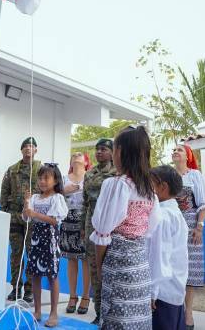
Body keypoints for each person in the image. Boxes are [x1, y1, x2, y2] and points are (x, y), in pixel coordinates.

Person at [90, 126, 161, 329]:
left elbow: (103, 232)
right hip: (139, 266)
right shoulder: (149, 190)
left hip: (118, 262)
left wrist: (101, 269)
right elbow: (150, 230)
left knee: (116, 317)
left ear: (120, 152)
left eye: (114, 147)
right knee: (136, 320)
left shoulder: (116, 185)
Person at [23, 163, 68, 327]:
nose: (42, 181)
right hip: (36, 239)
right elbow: (27, 218)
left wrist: (35, 214)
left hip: (50, 239)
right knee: (35, 274)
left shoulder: (57, 198)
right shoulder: (35, 198)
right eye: (40, 178)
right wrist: (26, 203)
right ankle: (37, 310)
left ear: (55, 180)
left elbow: (55, 221)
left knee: (52, 275)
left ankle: (54, 312)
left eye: (46, 178)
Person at [0, 137, 41, 303]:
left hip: (33, 218)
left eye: (31, 146)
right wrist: (4, 214)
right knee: (16, 254)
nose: (28, 149)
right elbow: (4, 192)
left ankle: (30, 290)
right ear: (21, 150)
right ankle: (16, 288)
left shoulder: (41, 169)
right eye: (25, 146)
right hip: (15, 217)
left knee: (32, 253)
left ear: (36, 150)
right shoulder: (12, 170)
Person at [172, 144, 205, 330]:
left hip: (191, 225)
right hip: (170, 226)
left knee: (189, 269)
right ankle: (174, 309)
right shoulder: (167, 175)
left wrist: (199, 227)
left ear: (187, 155)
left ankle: (188, 313)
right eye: (173, 150)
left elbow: (202, 204)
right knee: (172, 268)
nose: (175, 152)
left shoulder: (195, 175)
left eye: (179, 150)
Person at [148, 165, 189, 330]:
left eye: (149, 183)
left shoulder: (163, 217)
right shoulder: (174, 213)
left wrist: (152, 292)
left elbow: (160, 257)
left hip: (162, 294)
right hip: (174, 290)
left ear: (162, 188)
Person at [82, 138, 117, 325]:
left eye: (104, 149)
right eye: (97, 149)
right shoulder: (89, 173)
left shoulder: (117, 173)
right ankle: (99, 311)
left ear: (113, 152)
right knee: (95, 270)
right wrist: (82, 228)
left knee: (110, 269)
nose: (99, 152)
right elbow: (84, 202)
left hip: (111, 226)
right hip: (92, 226)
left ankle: (112, 312)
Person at [60, 152, 91, 315]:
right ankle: (73, 296)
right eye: (74, 155)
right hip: (67, 221)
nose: (76, 156)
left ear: (86, 162)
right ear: (71, 161)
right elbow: (55, 196)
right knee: (71, 259)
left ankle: (86, 297)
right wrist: (65, 190)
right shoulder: (64, 178)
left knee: (86, 260)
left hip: (86, 220)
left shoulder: (91, 177)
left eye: (80, 155)